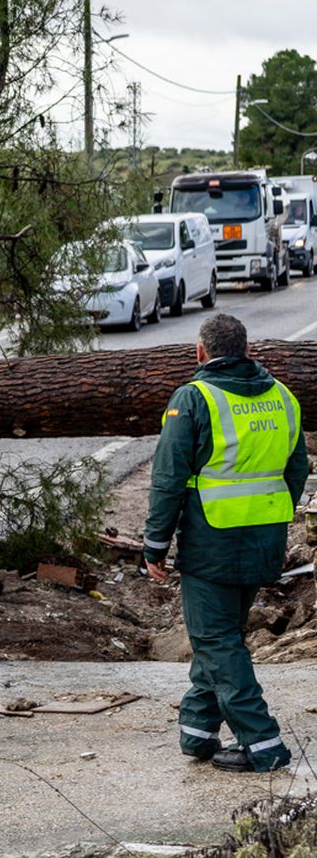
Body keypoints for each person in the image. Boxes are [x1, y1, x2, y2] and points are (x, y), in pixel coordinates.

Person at [144, 313, 308, 773]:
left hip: (212, 542)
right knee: (223, 638)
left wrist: (155, 544)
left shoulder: (194, 399)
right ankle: (198, 731)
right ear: (247, 351)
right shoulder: (283, 398)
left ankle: (263, 743)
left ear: (200, 352)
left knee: (215, 641)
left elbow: (168, 478)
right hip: (264, 541)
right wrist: (270, 514)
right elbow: (297, 471)